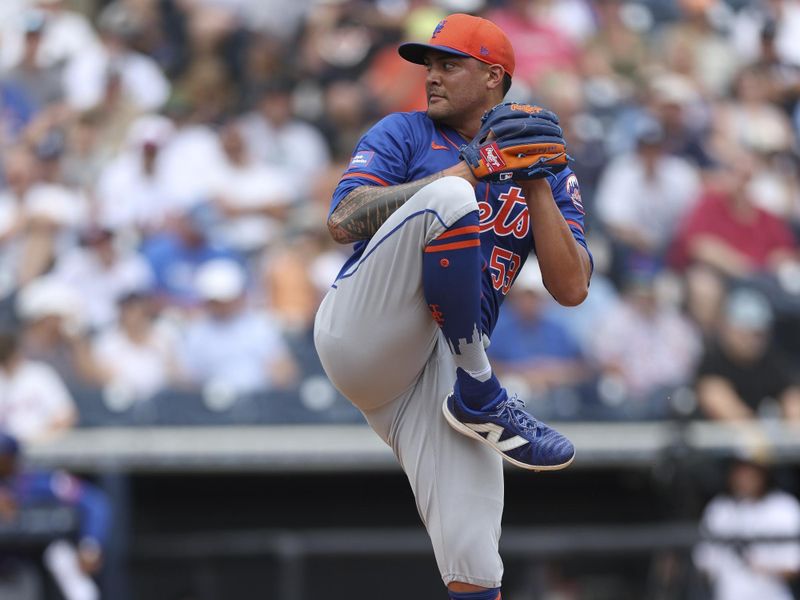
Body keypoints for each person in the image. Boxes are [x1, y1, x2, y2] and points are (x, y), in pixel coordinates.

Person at [314, 14, 591, 599]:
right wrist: (473, 169)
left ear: (493, 76)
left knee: (476, 556)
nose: (431, 77)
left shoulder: (544, 163)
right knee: (451, 193)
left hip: (440, 362)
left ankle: (475, 393)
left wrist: (535, 180)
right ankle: (481, 390)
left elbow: (571, 289)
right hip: (370, 324)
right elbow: (341, 222)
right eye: (429, 65)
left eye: (448, 64)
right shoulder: (406, 133)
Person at [0, 431, 111, 600]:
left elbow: (94, 503)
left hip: (39, 557)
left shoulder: (38, 481)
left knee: (61, 556)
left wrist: (90, 546)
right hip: (8, 561)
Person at [694, 455, 800, 600]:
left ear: (763, 473)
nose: (744, 478)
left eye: (750, 472)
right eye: (739, 472)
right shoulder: (719, 509)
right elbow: (704, 564)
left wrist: (757, 565)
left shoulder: (784, 507)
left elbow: (793, 566)